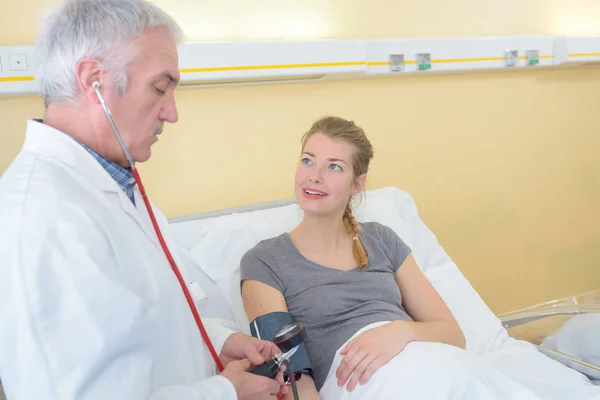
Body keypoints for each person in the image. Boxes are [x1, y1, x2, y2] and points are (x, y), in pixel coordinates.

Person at [0, 1, 286, 399]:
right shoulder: (45, 217)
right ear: (93, 79)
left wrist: (218, 340)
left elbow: (149, 318)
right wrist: (225, 392)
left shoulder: (113, 187)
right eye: (159, 86)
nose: (171, 113)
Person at [240, 116, 600, 399]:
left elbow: (452, 334)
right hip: (368, 382)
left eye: (334, 166)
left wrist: (400, 332)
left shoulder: (381, 239)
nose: (314, 176)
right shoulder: (265, 261)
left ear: (357, 183)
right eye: (308, 160)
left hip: (441, 364)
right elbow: (289, 372)